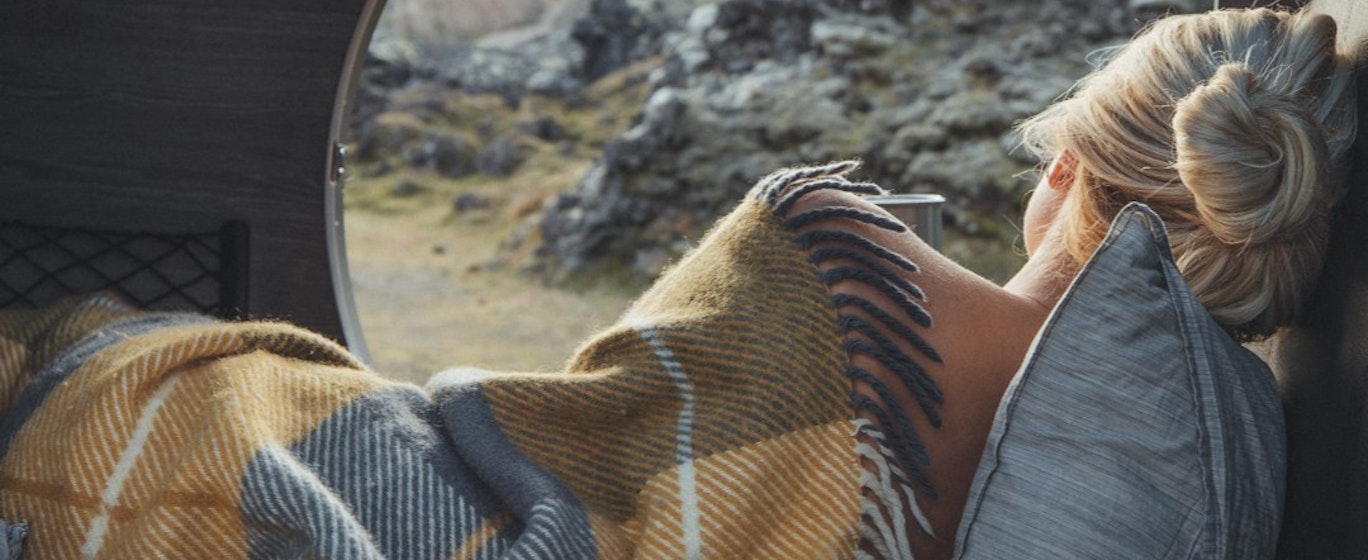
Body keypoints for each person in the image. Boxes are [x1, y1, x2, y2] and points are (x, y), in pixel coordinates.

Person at [0, 6, 1356, 560]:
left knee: (116, 361)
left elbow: (592, 418)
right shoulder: (1216, 453)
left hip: (388, 477)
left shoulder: (848, 243)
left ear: (1063, 171)